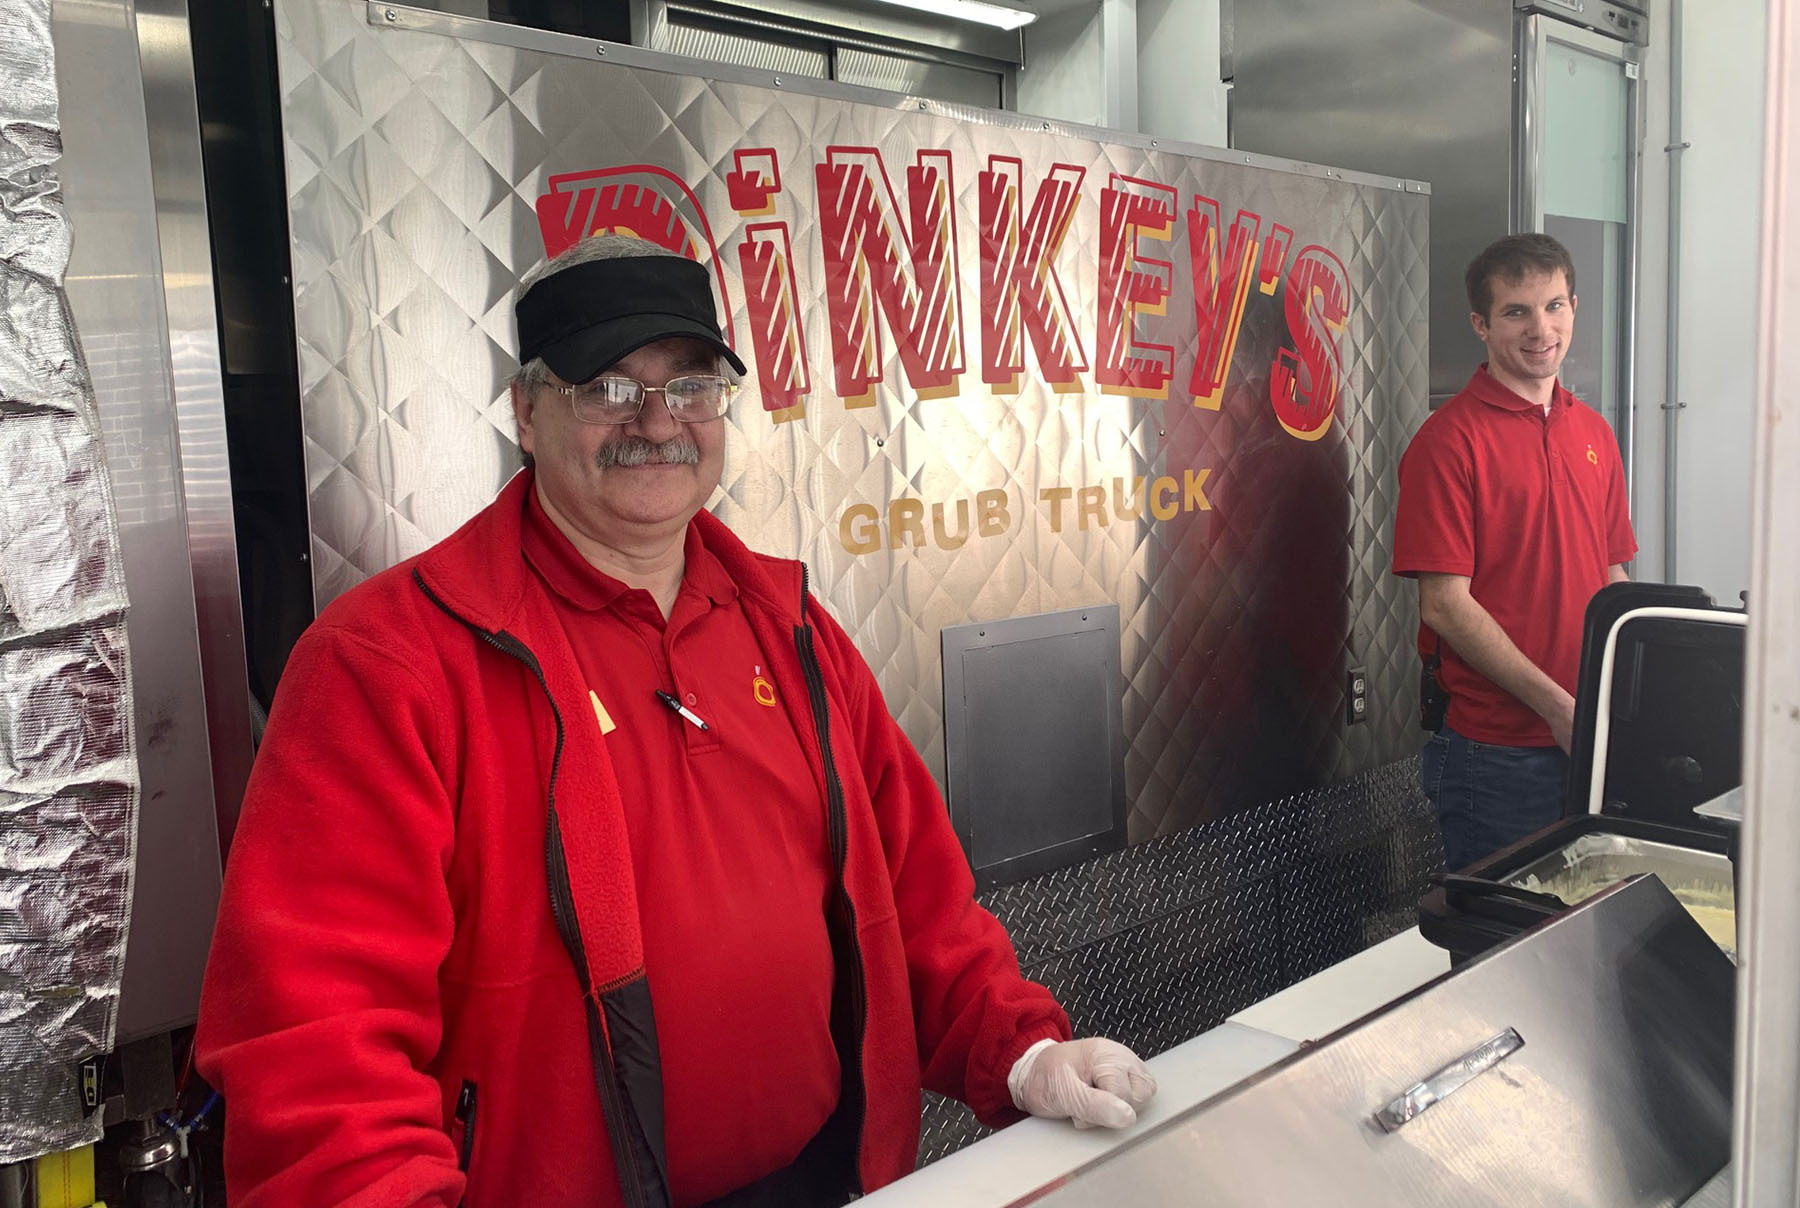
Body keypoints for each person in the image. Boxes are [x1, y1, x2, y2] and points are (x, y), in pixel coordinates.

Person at [195, 233, 1156, 1208]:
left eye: (691, 386)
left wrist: (1020, 1045)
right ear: (527, 411)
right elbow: (316, 1048)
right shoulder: (387, 666)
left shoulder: (792, 633)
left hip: (829, 1180)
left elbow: (916, 903)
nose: (657, 421)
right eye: (608, 386)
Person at [1392, 233, 1636, 871]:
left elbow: (1613, 577)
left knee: (1586, 942)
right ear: (1481, 324)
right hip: (1496, 757)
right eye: (1516, 312)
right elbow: (1445, 606)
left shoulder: (1594, 433)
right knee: (1501, 951)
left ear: (1575, 308)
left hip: (1588, 739)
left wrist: (1624, 701)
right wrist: (1559, 708)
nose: (1541, 329)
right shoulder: (1449, 443)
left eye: (1554, 306)